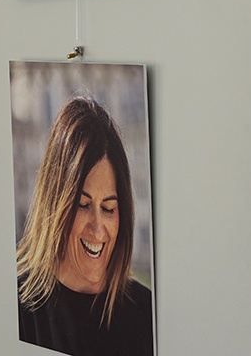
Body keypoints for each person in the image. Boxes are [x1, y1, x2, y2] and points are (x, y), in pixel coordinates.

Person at [17, 96, 153, 356]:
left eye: (108, 208)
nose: (98, 229)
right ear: (55, 204)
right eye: (83, 205)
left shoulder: (148, 313)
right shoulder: (18, 311)